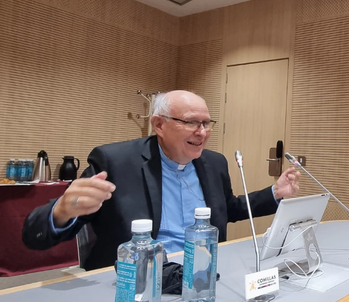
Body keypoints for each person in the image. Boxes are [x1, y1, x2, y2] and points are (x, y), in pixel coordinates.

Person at [23, 90, 300, 270]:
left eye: (207, 123)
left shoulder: (214, 163)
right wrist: (61, 211)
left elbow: (230, 208)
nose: (202, 132)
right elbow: (33, 235)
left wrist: (275, 193)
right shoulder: (116, 162)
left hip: (204, 274)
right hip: (137, 280)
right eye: (192, 122)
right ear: (159, 125)